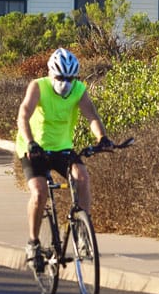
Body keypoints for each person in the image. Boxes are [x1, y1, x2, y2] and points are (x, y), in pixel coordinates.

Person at [15, 47, 112, 271]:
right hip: (35, 148)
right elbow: (23, 115)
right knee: (39, 193)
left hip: (62, 148)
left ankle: (82, 232)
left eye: (70, 78)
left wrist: (102, 137)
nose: (65, 83)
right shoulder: (38, 86)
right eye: (60, 77)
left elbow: (92, 116)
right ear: (50, 73)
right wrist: (30, 142)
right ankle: (33, 243)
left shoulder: (79, 90)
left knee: (83, 177)